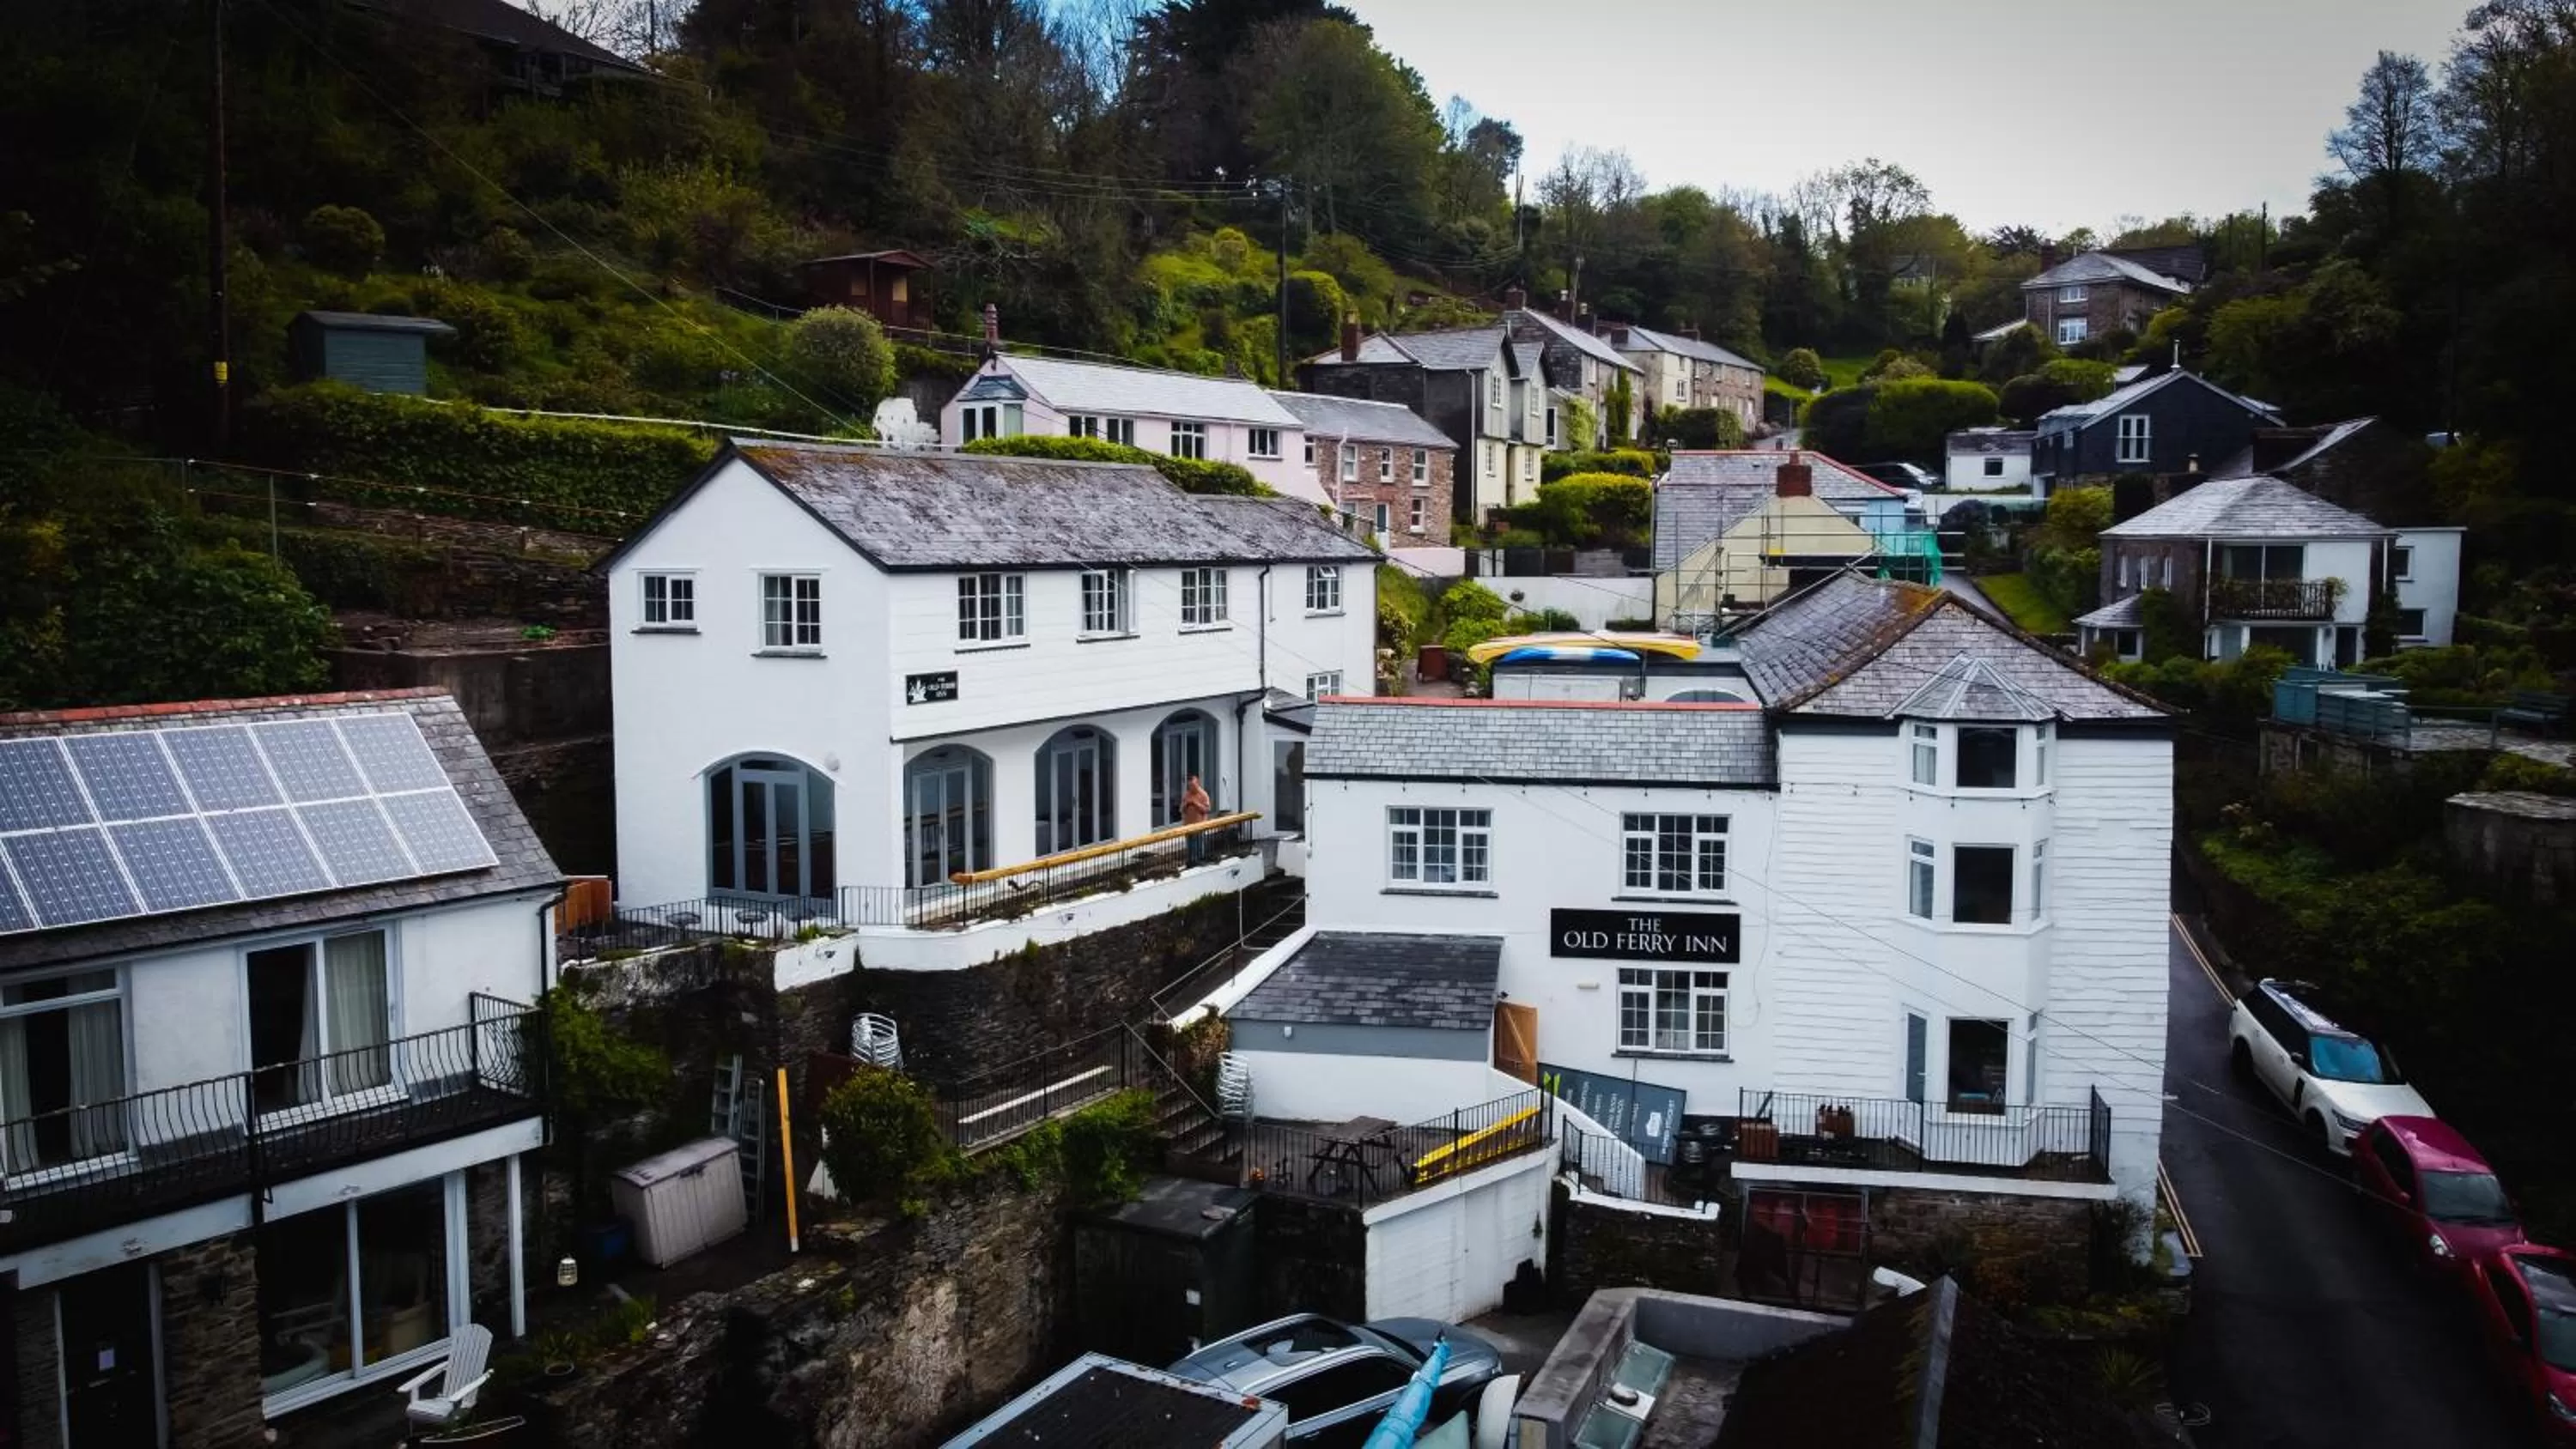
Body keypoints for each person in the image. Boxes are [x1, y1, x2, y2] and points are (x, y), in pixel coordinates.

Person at [1181, 773, 1212, 864]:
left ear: (1198, 784)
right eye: (1190, 786)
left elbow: (1207, 809)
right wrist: (1186, 805)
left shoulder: (1203, 795)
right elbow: (1181, 809)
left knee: (1198, 845)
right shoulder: (1186, 795)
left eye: (1193, 786)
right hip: (1188, 826)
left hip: (1199, 826)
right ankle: (1191, 862)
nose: (1191, 788)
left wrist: (1196, 804)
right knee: (1190, 846)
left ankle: (1199, 861)